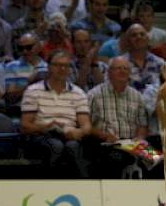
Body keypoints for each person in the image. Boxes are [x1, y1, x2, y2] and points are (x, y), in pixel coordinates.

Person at [20, 49, 91, 178]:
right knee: (55, 146)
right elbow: (25, 126)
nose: (62, 69)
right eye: (57, 65)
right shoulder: (33, 91)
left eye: (66, 65)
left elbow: (86, 125)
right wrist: (47, 126)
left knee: (74, 147)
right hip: (41, 135)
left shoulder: (78, 93)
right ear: (49, 67)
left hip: (68, 135)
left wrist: (79, 132)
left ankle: (83, 187)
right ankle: (49, 187)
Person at [86, 56, 148, 177]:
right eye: (118, 68)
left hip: (132, 143)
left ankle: (149, 194)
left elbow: (142, 124)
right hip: (106, 143)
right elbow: (87, 125)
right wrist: (104, 135)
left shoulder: (137, 96)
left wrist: (140, 137)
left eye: (126, 69)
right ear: (109, 73)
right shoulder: (94, 95)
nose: (122, 71)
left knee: (156, 159)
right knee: (119, 158)